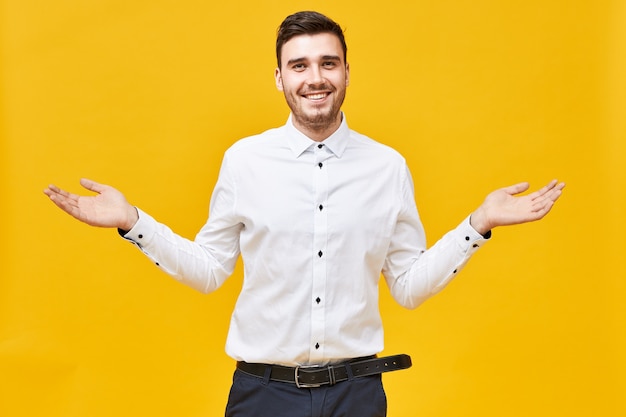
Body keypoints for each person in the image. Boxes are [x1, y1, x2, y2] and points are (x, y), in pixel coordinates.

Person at [44, 10, 565, 417]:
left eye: (327, 63)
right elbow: (208, 270)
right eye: (300, 66)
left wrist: (478, 225)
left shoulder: (387, 167)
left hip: (357, 397)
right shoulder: (244, 161)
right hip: (263, 397)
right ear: (279, 78)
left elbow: (407, 286)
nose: (315, 78)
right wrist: (132, 221)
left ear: (345, 72)